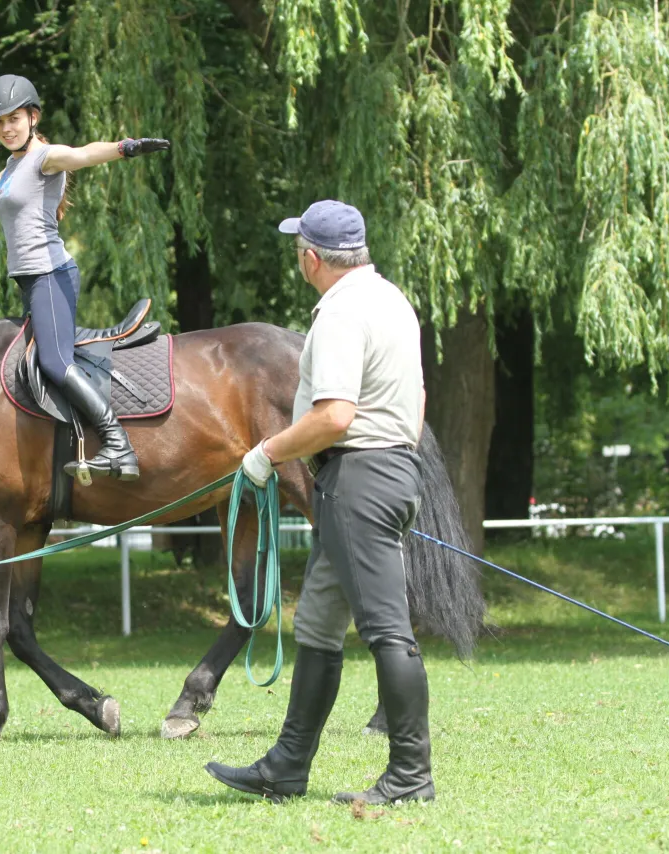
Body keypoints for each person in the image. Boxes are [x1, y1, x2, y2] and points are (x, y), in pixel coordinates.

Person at [205, 200, 434, 805]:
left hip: (359, 478)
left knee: (387, 630)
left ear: (311, 257)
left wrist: (266, 452)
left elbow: (334, 416)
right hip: (374, 474)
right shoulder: (392, 301)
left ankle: (411, 776)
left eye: (297, 249)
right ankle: (286, 767)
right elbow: (419, 396)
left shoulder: (339, 315)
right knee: (318, 627)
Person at [0, 73, 170, 482]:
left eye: (14, 118)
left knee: (54, 362)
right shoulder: (11, 166)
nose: (6, 128)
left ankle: (118, 444)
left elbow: (83, 155)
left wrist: (126, 148)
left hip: (50, 274)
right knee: (27, 364)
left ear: (33, 117)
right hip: (30, 280)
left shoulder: (43, 157)